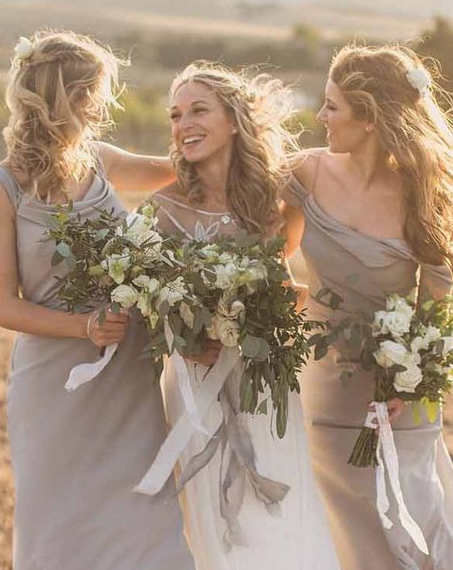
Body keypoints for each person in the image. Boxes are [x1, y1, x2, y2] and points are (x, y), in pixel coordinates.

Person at [0, 30, 194, 570]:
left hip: (129, 378)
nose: (101, 108)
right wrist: (85, 327)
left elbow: (182, 171)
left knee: (144, 514)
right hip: (57, 383)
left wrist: (231, 133)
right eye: (94, 94)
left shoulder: (101, 160)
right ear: (65, 100)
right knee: (61, 522)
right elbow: (4, 307)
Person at [286, 44, 453, 569]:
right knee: (347, 524)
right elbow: (267, 248)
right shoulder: (305, 174)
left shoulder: (422, 192)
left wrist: (411, 384)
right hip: (323, 386)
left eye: (332, 106)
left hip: (399, 394)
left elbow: (437, 306)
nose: (320, 117)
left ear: (368, 118)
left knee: (413, 517)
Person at [145, 61, 340, 570]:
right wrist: (182, 334)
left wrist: (270, 306)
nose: (183, 123)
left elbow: (291, 285)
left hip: (267, 381)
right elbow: (146, 301)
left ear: (234, 120)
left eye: (198, 110)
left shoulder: (278, 201)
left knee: (281, 505)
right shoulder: (162, 209)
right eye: (176, 114)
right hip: (197, 380)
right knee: (216, 517)